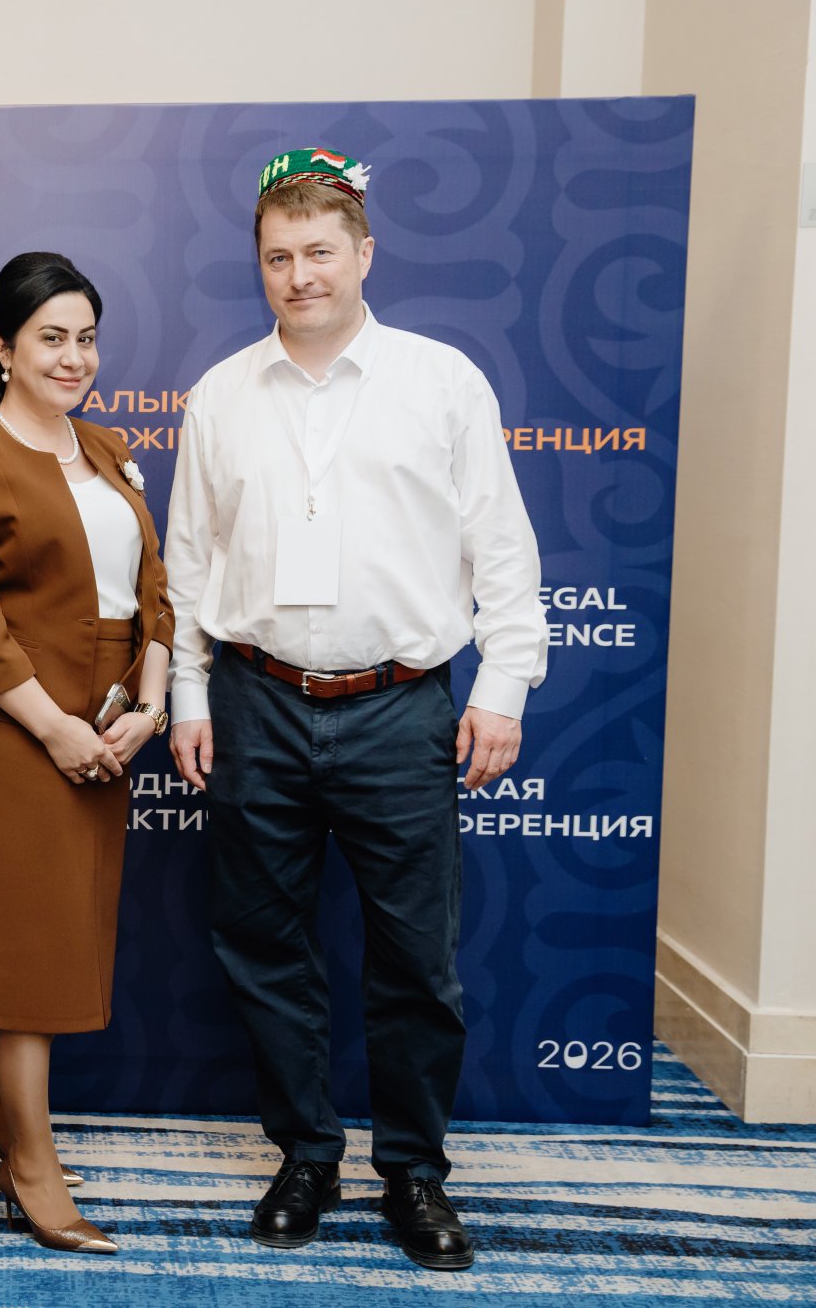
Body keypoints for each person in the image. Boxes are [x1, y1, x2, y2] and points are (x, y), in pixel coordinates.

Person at [162, 147, 547, 1272]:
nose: (300, 276)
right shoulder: (220, 395)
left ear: (364, 252)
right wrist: (188, 691)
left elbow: (501, 550)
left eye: (320, 252)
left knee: (416, 959)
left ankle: (414, 1170)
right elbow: (189, 563)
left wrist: (503, 685)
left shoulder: (442, 381)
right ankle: (305, 1153)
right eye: (278, 257)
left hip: (400, 708)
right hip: (255, 701)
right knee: (262, 945)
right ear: (260, 264)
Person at [0, 252, 173, 1255]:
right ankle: (30, 1161)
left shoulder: (107, 447)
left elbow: (154, 590)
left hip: (108, 720)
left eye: (86, 338)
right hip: (12, 726)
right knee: (22, 940)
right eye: (50, 337)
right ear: (3, 348)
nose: (73, 357)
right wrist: (54, 727)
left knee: (64, 930)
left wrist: (149, 703)